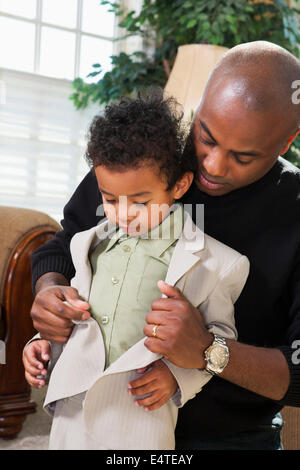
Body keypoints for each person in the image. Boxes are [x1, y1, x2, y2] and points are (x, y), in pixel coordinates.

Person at [28, 41, 300, 450]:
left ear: (286, 142)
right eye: (205, 137)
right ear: (200, 105)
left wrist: (208, 350)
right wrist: (49, 291)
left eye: (243, 157)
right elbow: (66, 245)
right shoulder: (145, 157)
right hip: (102, 417)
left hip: (229, 437)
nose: (211, 165)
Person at [23, 92, 249, 450]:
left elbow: (219, 337)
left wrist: (178, 377)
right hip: (72, 409)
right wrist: (41, 344)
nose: (123, 213)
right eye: (110, 199)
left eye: (140, 202)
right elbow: (76, 311)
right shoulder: (87, 243)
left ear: (179, 185)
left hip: (140, 410)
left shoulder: (215, 263)